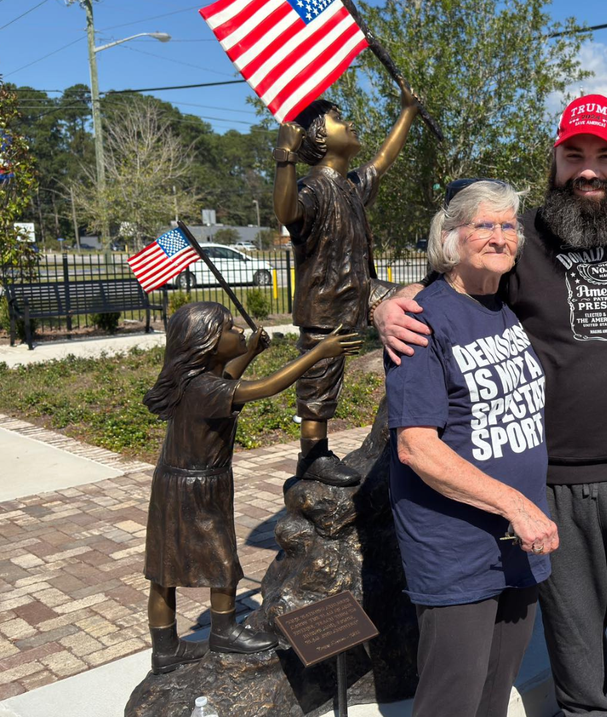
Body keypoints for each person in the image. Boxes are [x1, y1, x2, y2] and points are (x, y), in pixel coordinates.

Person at [376, 94, 607, 717]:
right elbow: (455, 284)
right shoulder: (524, 241)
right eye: (574, 154)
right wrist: (386, 302)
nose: (589, 169)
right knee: (578, 667)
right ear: (555, 159)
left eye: (605, 155)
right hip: (555, 487)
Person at [386, 178, 558, 717]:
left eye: (508, 225)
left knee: (494, 693)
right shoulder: (422, 321)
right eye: (484, 224)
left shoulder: (501, 308)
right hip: (456, 548)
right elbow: (417, 448)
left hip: (519, 545)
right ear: (450, 236)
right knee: (452, 699)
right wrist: (516, 505)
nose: (500, 235)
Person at [142, 302, 360, 675]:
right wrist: (317, 353)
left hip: (174, 482)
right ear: (206, 343)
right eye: (229, 328)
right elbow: (264, 389)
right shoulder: (205, 387)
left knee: (164, 572)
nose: (239, 330)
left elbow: (227, 380)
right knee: (223, 560)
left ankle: (165, 649)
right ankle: (224, 631)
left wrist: (250, 353)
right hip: (199, 487)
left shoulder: (193, 381)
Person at [273, 83, 419, 487]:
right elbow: (286, 211)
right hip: (325, 305)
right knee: (320, 379)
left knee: (420, 301)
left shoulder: (351, 185)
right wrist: (284, 156)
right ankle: (313, 456)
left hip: (363, 289)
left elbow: (385, 158)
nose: (349, 122)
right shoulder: (311, 188)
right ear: (319, 138)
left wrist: (407, 110)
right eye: (338, 118)